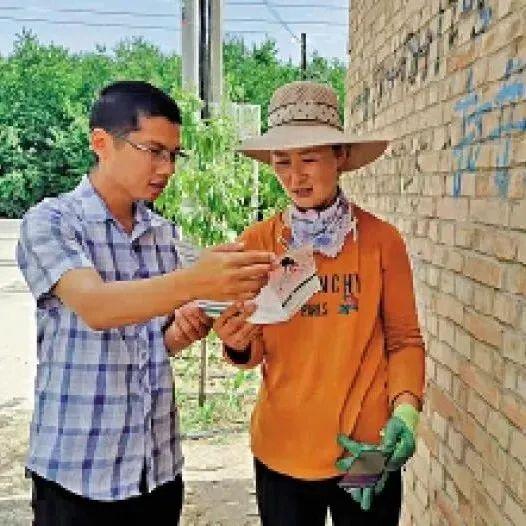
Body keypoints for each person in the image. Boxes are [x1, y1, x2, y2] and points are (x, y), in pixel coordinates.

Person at [16, 80, 274, 526]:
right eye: (154, 151)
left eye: (174, 154)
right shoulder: (52, 222)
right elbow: (97, 307)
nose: (167, 167)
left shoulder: (164, 235)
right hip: (79, 475)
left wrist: (179, 332)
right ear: (102, 143)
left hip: (155, 471)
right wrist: (195, 279)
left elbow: (147, 340)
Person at [211, 81, 425, 525]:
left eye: (309, 158)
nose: (295, 176)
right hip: (283, 446)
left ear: (340, 157)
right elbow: (253, 346)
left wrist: (405, 409)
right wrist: (236, 344)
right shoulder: (259, 244)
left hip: (365, 450)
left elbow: (404, 339)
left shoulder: (381, 242)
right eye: (281, 161)